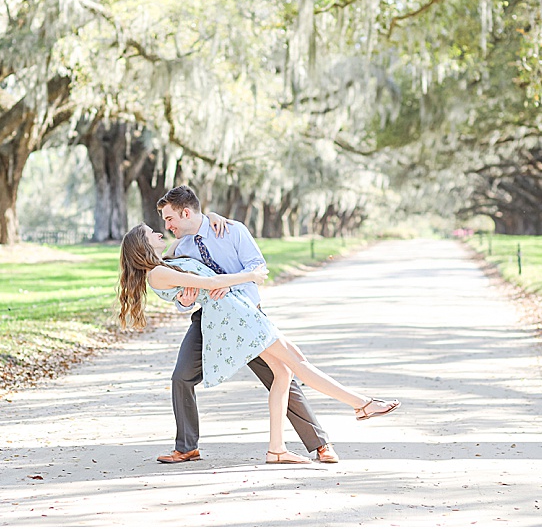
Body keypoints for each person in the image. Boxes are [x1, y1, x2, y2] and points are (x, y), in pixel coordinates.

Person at [119, 222, 401, 464]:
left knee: (284, 372)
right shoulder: (157, 273)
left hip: (238, 312)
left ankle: (277, 448)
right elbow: (211, 283)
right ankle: (361, 404)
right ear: (143, 244)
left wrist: (215, 218)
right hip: (236, 317)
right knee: (297, 364)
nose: (160, 232)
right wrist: (249, 276)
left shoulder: (165, 260)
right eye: (152, 232)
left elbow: (190, 237)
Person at [154, 186, 338, 464]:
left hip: (247, 316)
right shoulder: (182, 247)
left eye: (170, 219)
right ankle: (186, 447)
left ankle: (320, 444)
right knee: (181, 377)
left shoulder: (232, 230)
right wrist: (185, 299)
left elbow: (257, 268)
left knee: (280, 374)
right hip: (209, 319)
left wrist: (229, 286)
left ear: (187, 212)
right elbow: (181, 296)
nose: (167, 226)